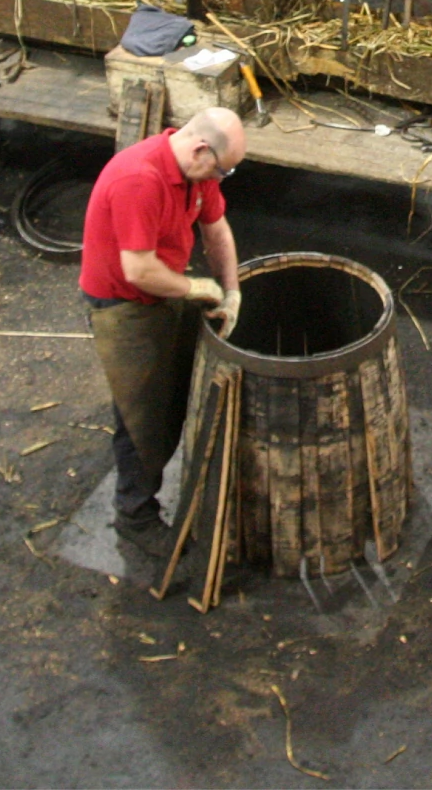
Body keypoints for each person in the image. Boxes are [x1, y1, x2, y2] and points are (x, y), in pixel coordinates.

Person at [79, 108, 246, 557]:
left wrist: (230, 290)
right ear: (199, 149)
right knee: (141, 416)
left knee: (174, 396)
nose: (221, 178)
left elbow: (216, 231)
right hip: (123, 302)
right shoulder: (140, 179)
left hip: (161, 285)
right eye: (222, 169)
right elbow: (138, 270)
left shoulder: (197, 172)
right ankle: (134, 515)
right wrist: (194, 286)